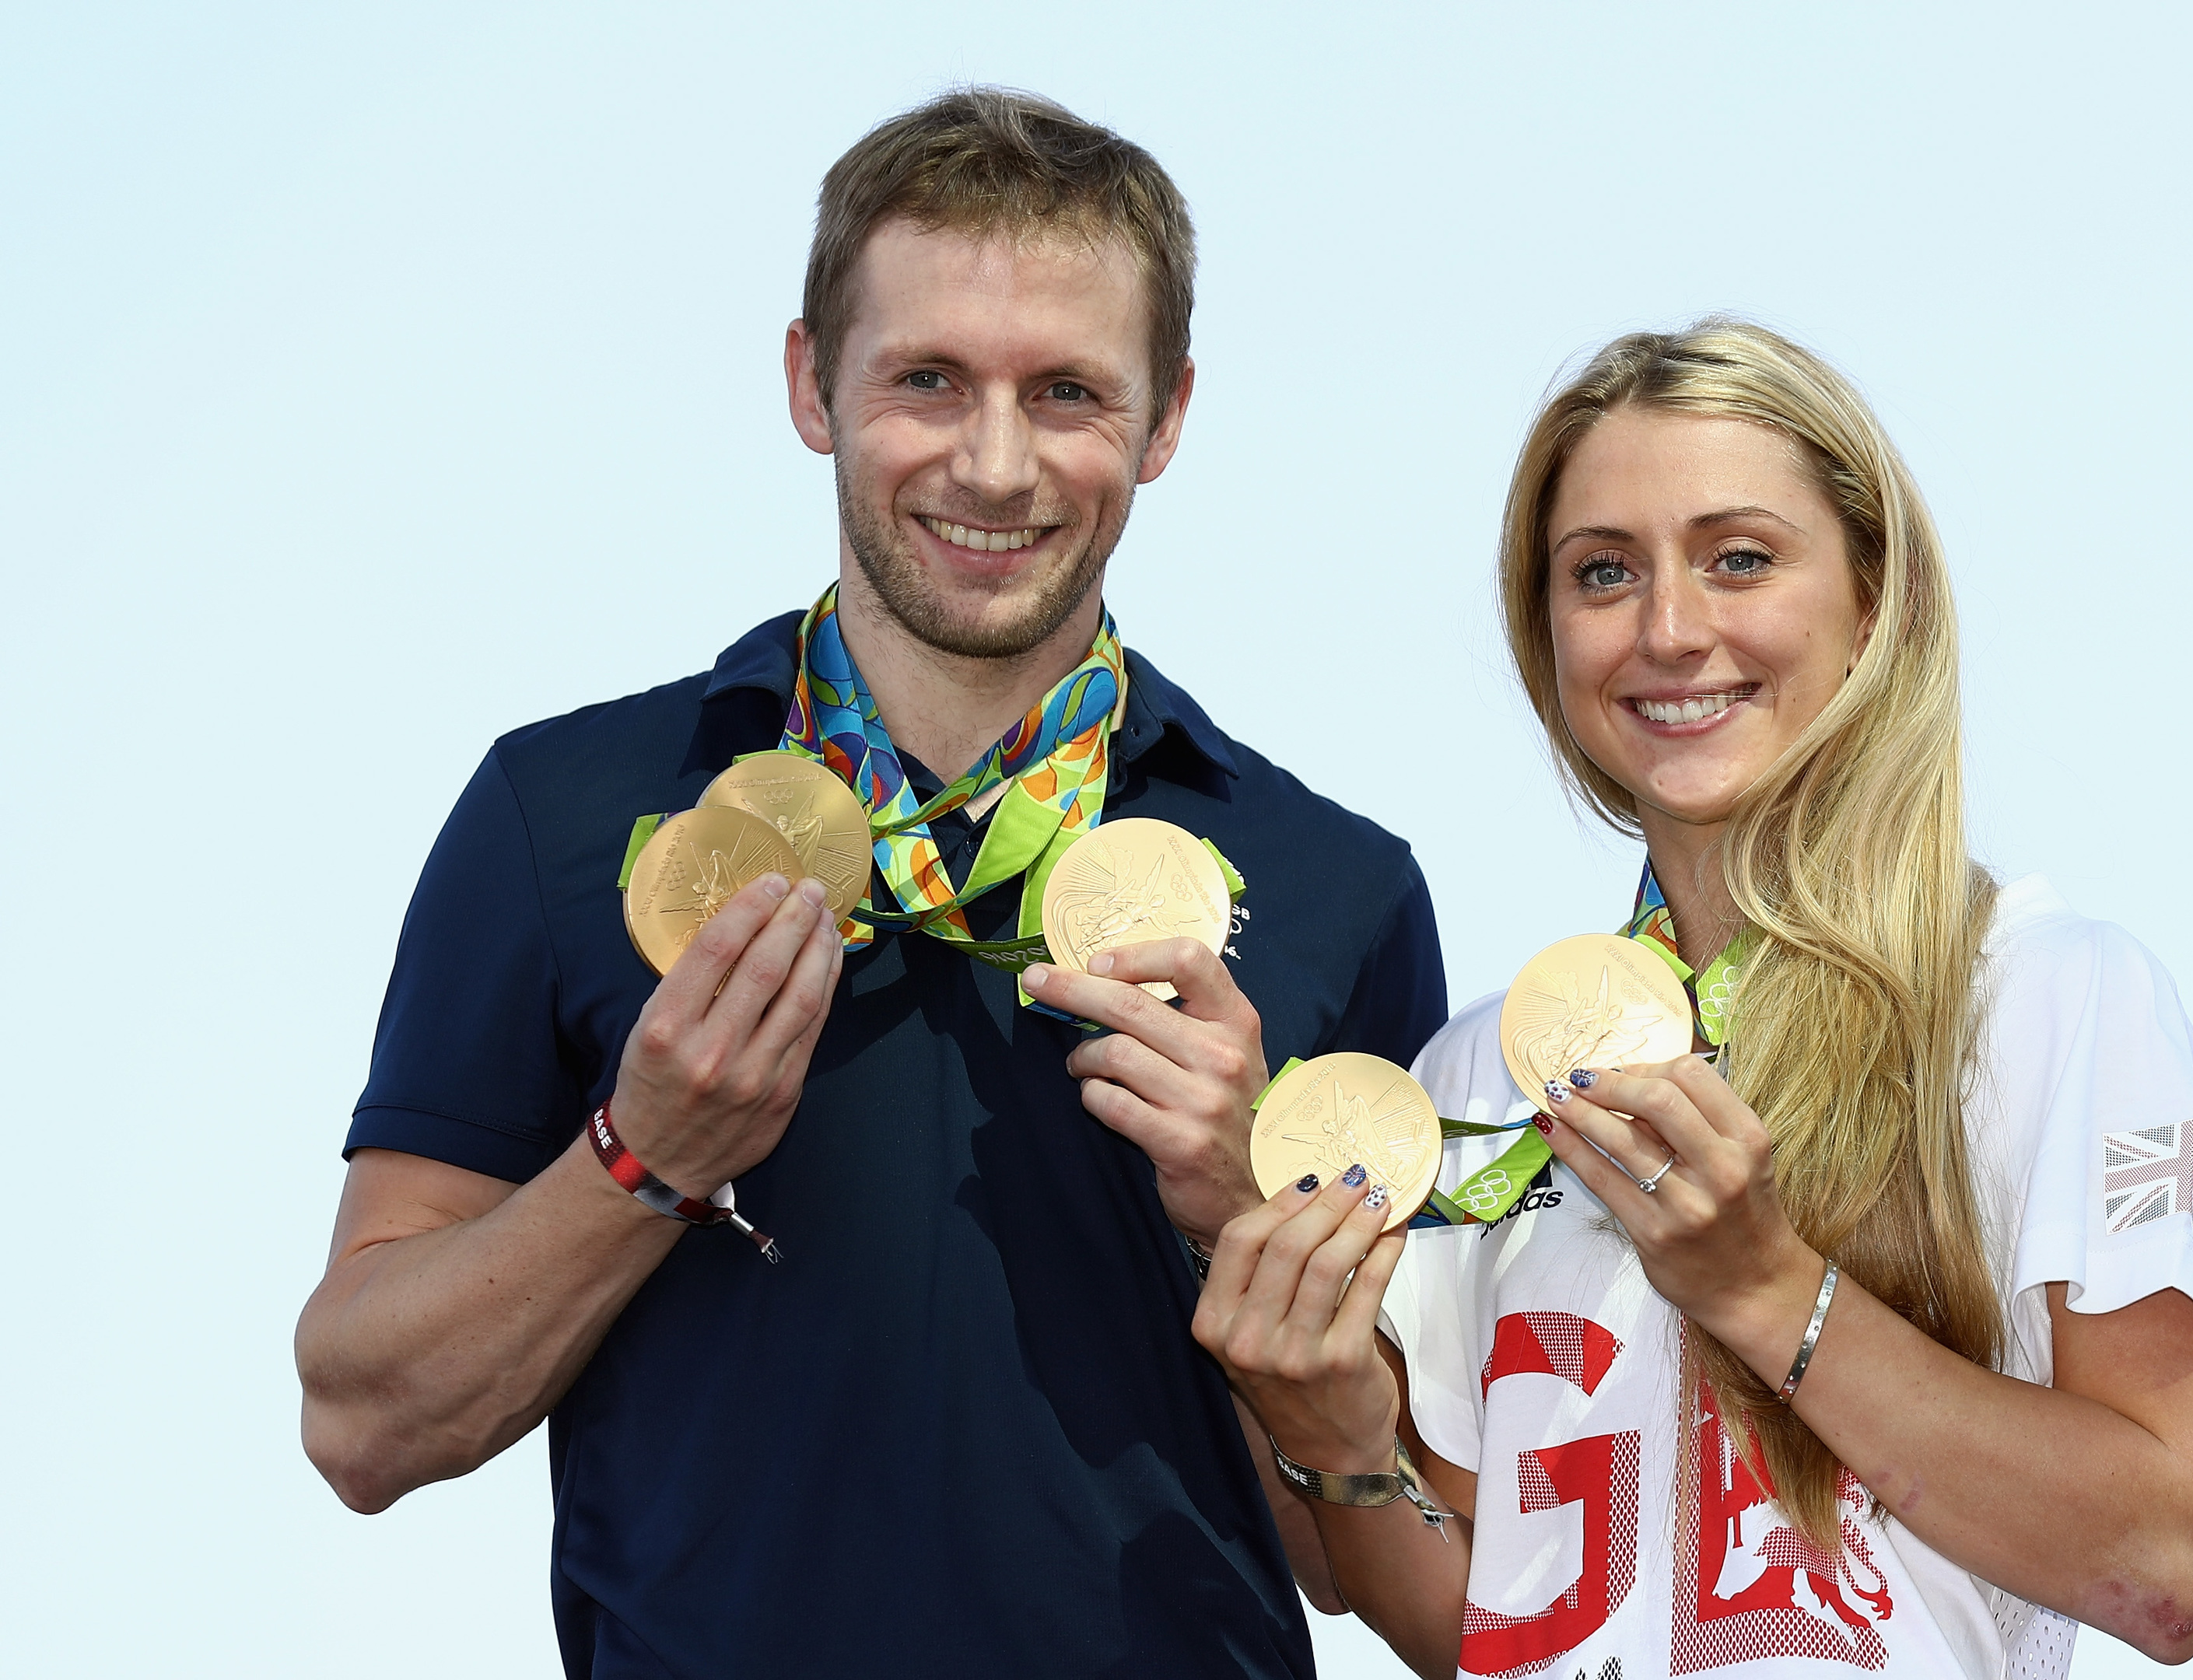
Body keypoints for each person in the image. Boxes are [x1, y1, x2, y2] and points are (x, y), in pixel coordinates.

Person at [293, 88, 1446, 1678]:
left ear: (1167, 418)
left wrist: (1240, 1225)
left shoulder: (1342, 891)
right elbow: (361, 1422)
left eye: (1066, 394)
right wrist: (648, 1159)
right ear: (810, 382)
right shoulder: (561, 817)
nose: (993, 463)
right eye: (928, 380)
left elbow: (1376, 1559)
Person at [1194, 320, 2193, 1679]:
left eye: (1740, 559)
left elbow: (2171, 1570)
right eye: (1603, 573)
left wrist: (1766, 1289)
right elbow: (1479, 1620)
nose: (1670, 629)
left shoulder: (2051, 997)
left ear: (1872, 602)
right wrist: (1345, 1450)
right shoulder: (1476, 1082)